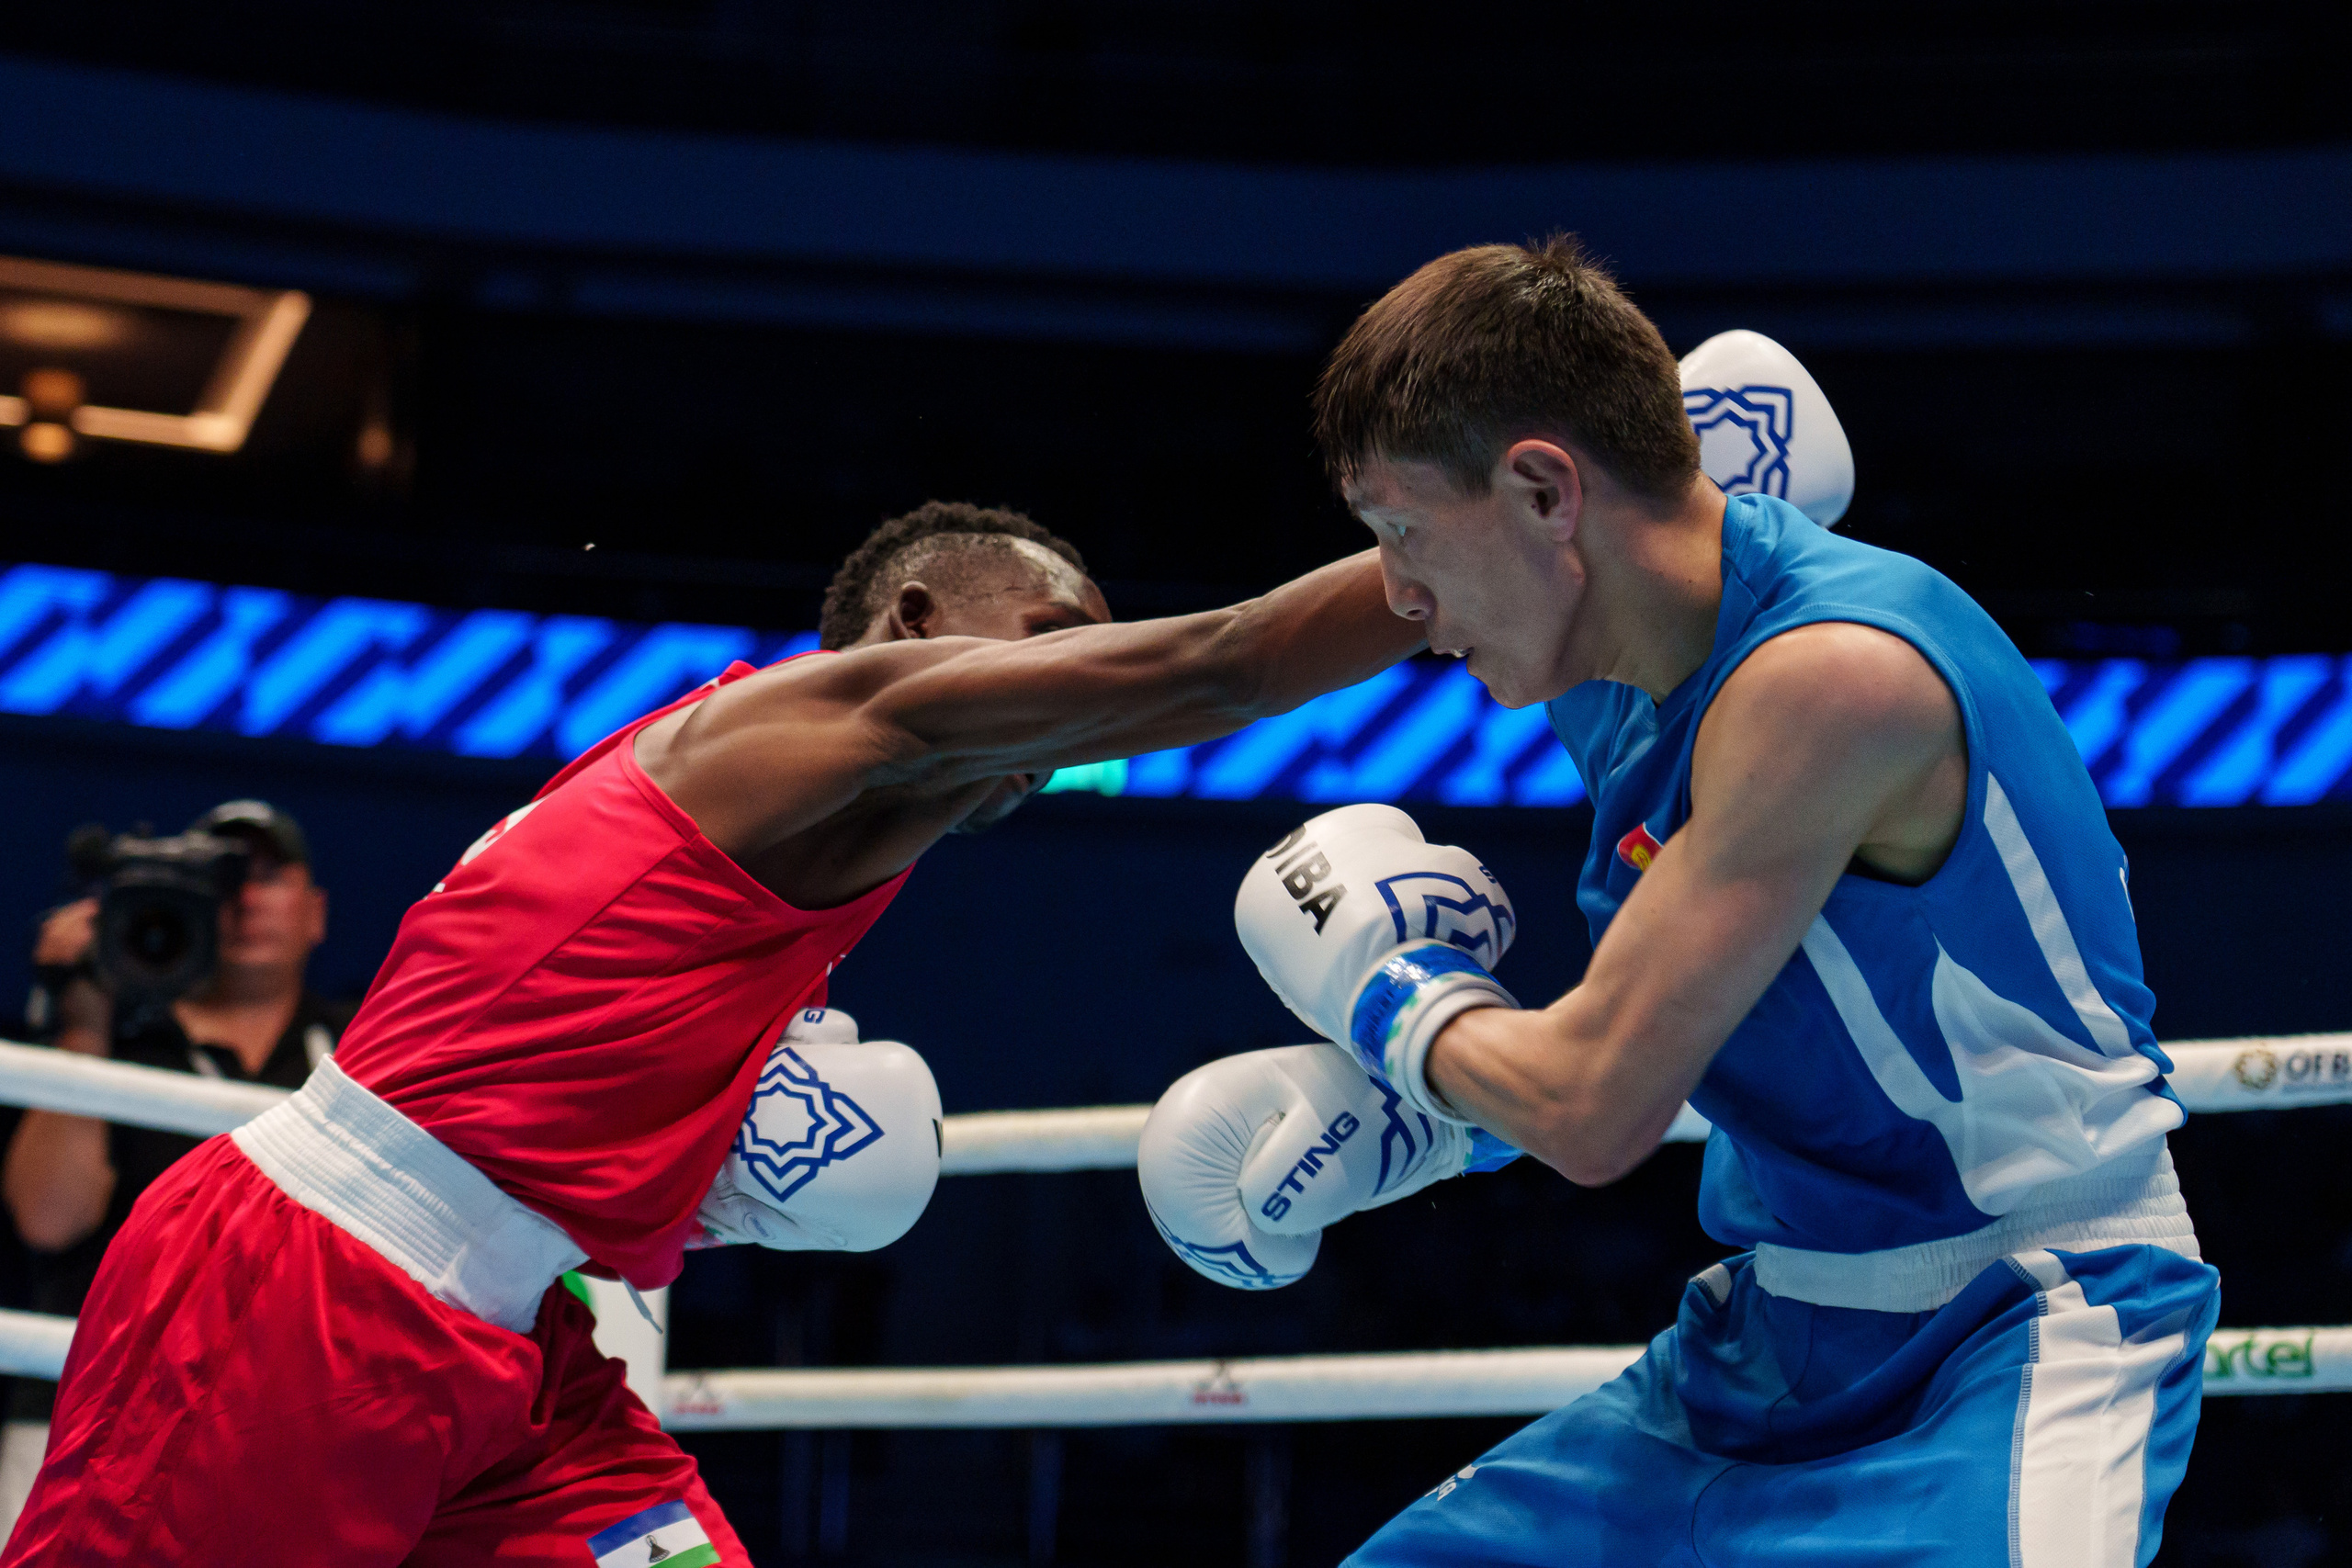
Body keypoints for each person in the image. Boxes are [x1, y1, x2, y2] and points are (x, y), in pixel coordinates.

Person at [4, 500, 1425, 1565]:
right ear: (917, 621)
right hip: (300, 1295)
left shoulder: (807, 835)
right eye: (1059, 644)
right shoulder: (788, 721)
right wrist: (1465, 538)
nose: (1074, 698)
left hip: (509, 1345)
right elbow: (1218, 665)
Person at [1139, 241, 2215, 1567]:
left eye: (1405, 535)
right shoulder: (1605, 645)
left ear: (1544, 489)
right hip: (1765, 1335)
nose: (1400, 599)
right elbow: (1233, 655)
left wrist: (1387, 997)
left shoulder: (1834, 679)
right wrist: (1451, 1126)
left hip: (2016, 1327)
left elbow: (1599, 1106)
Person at [0, 801, 343, 1534]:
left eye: (267, 875)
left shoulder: (364, 1051)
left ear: (315, 913)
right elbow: (48, 1218)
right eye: (221, 877)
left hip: (296, 1417)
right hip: (86, 1409)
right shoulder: (111, 1038)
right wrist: (83, 1024)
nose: (244, 898)